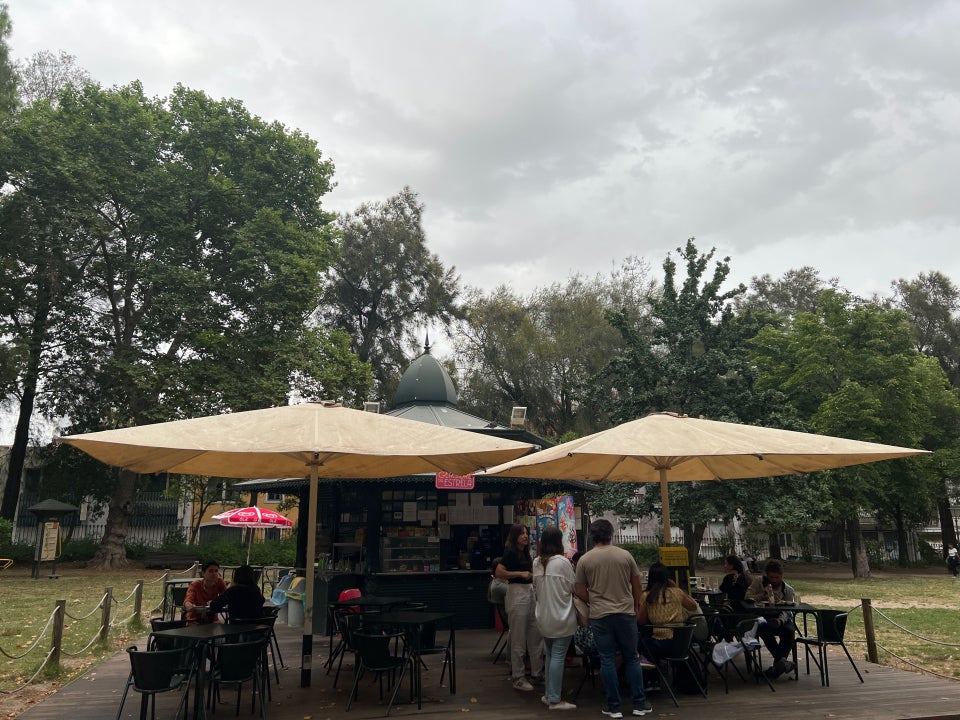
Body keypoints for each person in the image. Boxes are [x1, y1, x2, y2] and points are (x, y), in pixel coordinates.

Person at [574, 518, 652, 718]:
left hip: (600, 615)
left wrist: (595, 600)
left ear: (592, 536)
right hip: (625, 613)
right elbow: (637, 585)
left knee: (607, 659)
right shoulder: (625, 555)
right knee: (631, 657)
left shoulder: (585, 560)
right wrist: (636, 605)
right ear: (611, 534)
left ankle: (614, 706)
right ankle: (639, 704)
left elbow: (579, 590)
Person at [532, 526, 577, 711]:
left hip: (543, 617)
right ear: (559, 541)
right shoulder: (563, 562)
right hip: (562, 617)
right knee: (558, 656)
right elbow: (574, 586)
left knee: (550, 655)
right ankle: (555, 700)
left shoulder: (536, 562)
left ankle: (549, 695)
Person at [495, 524, 544, 691]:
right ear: (515, 536)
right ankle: (518, 677)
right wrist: (519, 574)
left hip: (529, 592)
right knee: (518, 637)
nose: (525, 536)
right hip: (517, 593)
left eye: (526, 533)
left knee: (535, 634)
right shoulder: (510, 552)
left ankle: (537, 673)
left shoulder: (526, 553)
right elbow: (499, 572)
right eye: (522, 533)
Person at [745, 559, 797, 678]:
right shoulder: (758, 582)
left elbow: (789, 611)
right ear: (766, 575)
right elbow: (747, 597)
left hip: (780, 617)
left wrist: (779, 621)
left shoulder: (788, 590)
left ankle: (777, 667)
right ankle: (782, 662)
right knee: (763, 629)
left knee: (789, 631)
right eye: (771, 577)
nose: (774, 580)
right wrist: (762, 595)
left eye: (777, 577)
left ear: (781, 576)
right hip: (762, 616)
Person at [636, 562, 699, 661]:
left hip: (660, 644)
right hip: (681, 643)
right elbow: (693, 607)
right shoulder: (677, 592)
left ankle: (652, 667)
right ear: (667, 577)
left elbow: (641, 621)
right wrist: (676, 587)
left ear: (650, 578)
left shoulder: (647, 596)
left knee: (637, 642)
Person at [183, 559, 227, 624]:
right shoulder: (195, 585)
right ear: (203, 573)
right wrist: (188, 605)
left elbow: (228, 596)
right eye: (210, 571)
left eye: (216, 571)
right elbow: (188, 599)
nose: (214, 574)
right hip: (194, 619)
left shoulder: (220, 582)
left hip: (213, 619)